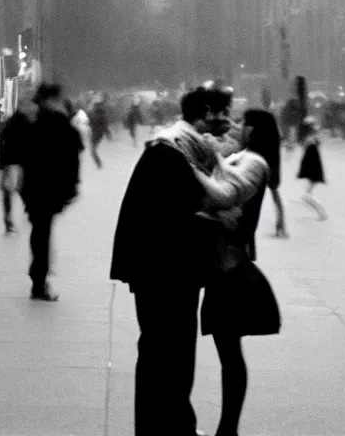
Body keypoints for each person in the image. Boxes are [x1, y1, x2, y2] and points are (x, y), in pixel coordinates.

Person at [110, 86, 233, 436]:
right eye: (222, 114)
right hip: (163, 273)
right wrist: (219, 218)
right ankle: (162, 428)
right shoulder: (172, 152)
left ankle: (174, 424)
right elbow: (179, 214)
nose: (226, 123)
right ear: (204, 114)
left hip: (168, 270)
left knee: (170, 353)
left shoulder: (182, 150)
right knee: (166, 353)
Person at [193, 109, 282, 436]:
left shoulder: (256, 162)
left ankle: (228, 429)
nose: (235, 127)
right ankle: (227, 430)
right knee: (227, 350)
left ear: (254, 130)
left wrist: (211, 158)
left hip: (230, 265)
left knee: (229, 352)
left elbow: (231, 192)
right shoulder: (243, 157)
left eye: (242, 124)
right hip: (221, 261)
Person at [18, 85, 84, 301]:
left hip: (35, 187)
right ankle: (38, 281)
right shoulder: (56, 123)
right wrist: (71, 187)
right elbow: (74, 150)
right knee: (42, 232)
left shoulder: (35, 122)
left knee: (40, 231)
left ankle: (38, 276)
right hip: (48, 188)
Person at [0, 99, 35, 233]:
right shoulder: (28, 125)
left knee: (8, 192)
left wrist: (0, 162)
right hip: (22, 164)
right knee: (23, 189)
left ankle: (7, 218)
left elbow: (0, 144)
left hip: (9, 164)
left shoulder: (8, 125)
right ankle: (30, 209)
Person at [297, 116, 328, 221]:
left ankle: (322, 213)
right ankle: (321, 213)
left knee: (306, 196)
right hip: (314, 172)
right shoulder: (312, 140)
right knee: (306, 195)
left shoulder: (310, 141)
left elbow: (309, 160)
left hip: (313, 172)